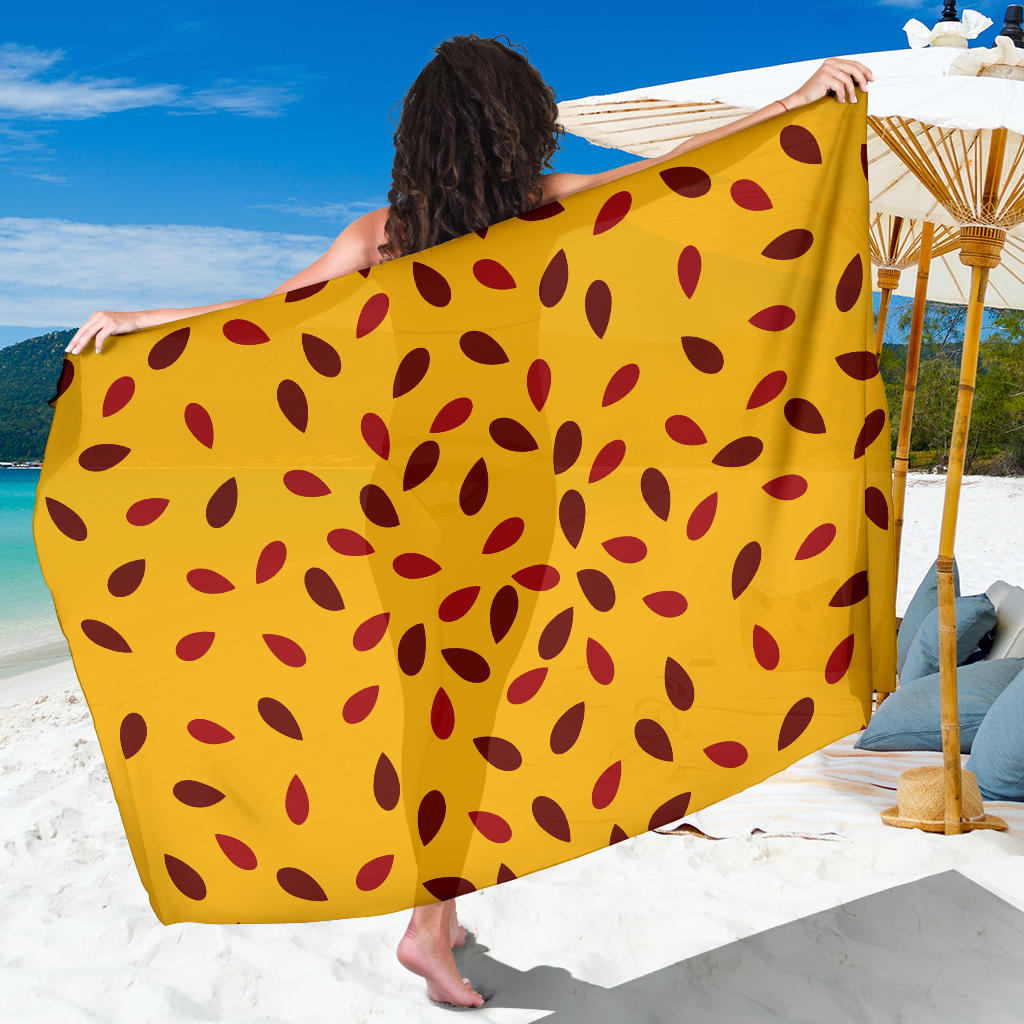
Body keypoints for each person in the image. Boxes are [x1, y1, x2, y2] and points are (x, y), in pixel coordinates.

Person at [64, 35, 873, 1009]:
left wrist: (140, 321)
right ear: (515, 123)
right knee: (468, 711)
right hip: (511, 488)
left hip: (411, 495)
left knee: (438, 707)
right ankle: (427, 921)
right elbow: (677, 174)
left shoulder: (383, 235)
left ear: (420, 135)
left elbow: (264, 317)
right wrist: (792, 103)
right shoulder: (536, 209)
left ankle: (437, 913)